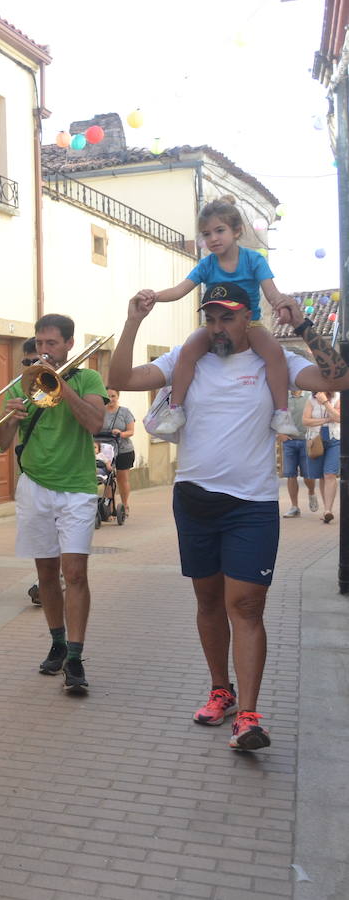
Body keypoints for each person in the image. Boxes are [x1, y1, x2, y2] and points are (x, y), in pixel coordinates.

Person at [109, 283, 349, 751]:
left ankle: (250, 716)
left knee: (247, 606)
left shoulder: (275, 361)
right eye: (211, 318)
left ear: (248, 319)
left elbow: (338, 380)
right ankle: (221, 690)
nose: (218, 327)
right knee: (208, 602)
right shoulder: (187, 358)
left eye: (228, 317)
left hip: (251, 505)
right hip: (194, 501)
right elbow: (121, 376)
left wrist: (304, 324)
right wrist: (134, 320)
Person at [0, 314, 107, 694]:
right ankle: (57, 643)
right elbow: (1, 443)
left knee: (75, 573)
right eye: (40, 343)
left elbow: (94, 422)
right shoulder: (23, 382)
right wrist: (12, 417)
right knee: (46, 574)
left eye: (52, 344)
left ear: (69, 344)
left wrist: (60, 384)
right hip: (35, 486)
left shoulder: (88, 379)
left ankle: (75, 656)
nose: (44, 350)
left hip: (75, 488)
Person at [142, 196, 299, 436]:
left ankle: (281, 412)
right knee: (187, 351)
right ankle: (175, 409)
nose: (213, 238)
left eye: (219, 231)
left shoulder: (253, 260)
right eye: (206, 234)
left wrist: (281, 306)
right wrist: (154, 296)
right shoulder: (206, 265)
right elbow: (180, 290)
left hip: (250, 323)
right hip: (215, 324)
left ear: (237, 231)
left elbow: (271, 292)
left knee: (275, 353)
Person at [304, 391, 341, 524]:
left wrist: (325, 402)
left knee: (330, 474)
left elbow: (339, 418)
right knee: (321, 476)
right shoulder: (311, 399)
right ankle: (326, 509)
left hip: (335, 438)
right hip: (315, 439)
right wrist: (326, 420)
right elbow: (305, 420)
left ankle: (328, 510)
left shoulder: (338, 397)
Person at [279, 388, 316, 517]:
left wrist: (313, 437)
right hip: (289, 442)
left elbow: (316, 415)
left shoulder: (309, 396)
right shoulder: (284, 398)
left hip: (306, 441)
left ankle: (311, 492)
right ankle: (294, 507)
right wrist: (280, 433)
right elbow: (277, 416)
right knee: (291, 474)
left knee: (308, 475)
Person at [100, 389, 136, 519]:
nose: (110, 399)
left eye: (113, 396)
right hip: (106, 451)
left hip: (123, 450)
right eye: (108, 396)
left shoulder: (124, 412)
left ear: (118, 397)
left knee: (122, 478)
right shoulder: (100, 412)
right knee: (108, 480)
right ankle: (109, 508)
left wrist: (121, 433)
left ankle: (124, 506)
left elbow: (131, 431)